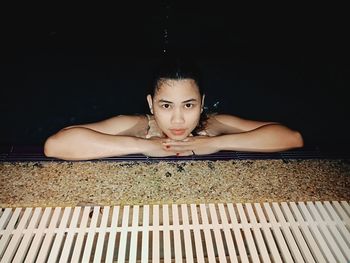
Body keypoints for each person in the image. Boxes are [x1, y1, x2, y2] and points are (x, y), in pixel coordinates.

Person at [44, 59, 303, 160]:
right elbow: (56, 145)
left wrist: (217, 143)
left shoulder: (213, 125)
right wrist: (142, 145)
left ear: (202, 103)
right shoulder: (138, 125)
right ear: (150, 104)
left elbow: (292, 137)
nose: (178, 119)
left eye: (188, 105)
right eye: (166, 106)